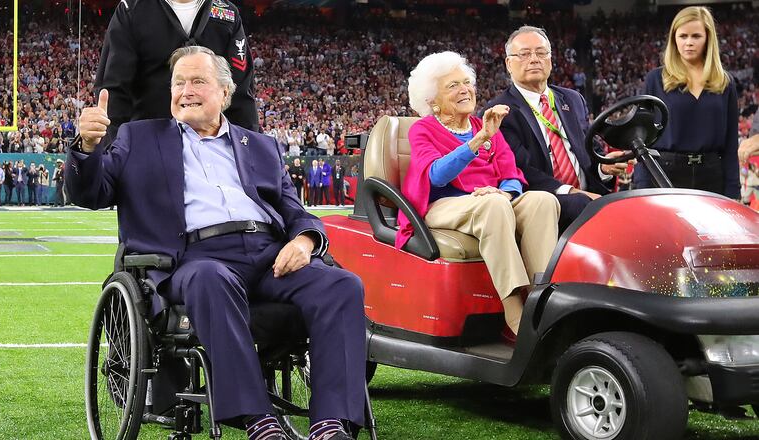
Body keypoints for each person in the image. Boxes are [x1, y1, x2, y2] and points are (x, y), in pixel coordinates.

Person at [69, 45, 364, 440]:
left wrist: (306, 240)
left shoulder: (261, 146)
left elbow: (295, 211)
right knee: (211, 278)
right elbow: (91, 193)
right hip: (195, 257)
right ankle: (258, 420)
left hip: (269, 254)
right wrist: (88, 148)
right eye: (178, 83)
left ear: (225, 92)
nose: (185, 91)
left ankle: (330, 423)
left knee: (342, 285)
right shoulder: (138, 138)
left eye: (197, 81)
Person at [400, 51, 560, 337]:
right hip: (442, 204)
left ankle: (542, 296)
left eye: (466, 83)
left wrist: (506, 193)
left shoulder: (484, 126)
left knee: (543, 201)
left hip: (492, 200)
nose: (464, 89)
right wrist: (478, 141)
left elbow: (511, 173)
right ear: (433, 101)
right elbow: (435, 175)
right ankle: (514, 310)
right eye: (453, 86)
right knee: (493, 205)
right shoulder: (423, 129)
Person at [485, 26, 627, 232]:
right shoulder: (500, 111)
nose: (534, 59)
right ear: (508, 63)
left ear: (550, 60)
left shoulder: (573, 99)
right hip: (544, 200)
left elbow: (590, 150)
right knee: (586, 207)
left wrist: (603, 168)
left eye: (541, 53)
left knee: (634, 202)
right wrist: (570, 192)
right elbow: (519, 169)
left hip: (588, 196)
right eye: (524, 54)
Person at [93, 0, 258, 149]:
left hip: (212, 147)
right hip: (149, 145)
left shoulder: (228, 13)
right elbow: (115, 90)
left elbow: (240, 93)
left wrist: (250, 150)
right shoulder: (131, 9)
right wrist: (116, 149)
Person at [637, 6, 739, 198]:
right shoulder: (655, 80)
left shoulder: (725, 83)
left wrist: (733, 189)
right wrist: (641, 185)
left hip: (712, 176)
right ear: (674, 39)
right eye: (683, 36)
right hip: (664, 175)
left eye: (696, 36)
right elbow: (642, 138)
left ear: (708, 38)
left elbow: (731, 143)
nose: (689, 42)